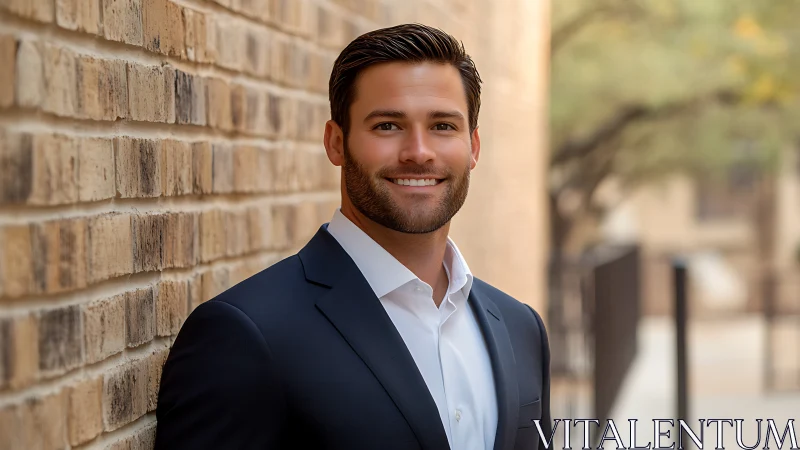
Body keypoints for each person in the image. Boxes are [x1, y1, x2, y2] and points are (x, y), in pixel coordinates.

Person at [155, 23, 552, 450]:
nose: (419, 152)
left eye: (442, 126)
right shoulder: (245, 334)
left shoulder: (521, 327)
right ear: (336, 143)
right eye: (388, 125)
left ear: (473, 147)